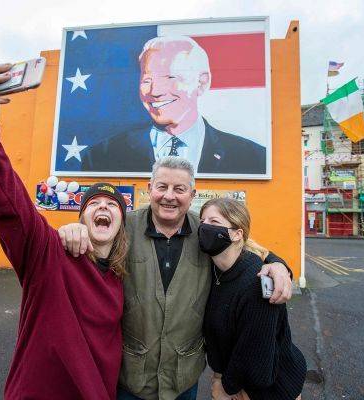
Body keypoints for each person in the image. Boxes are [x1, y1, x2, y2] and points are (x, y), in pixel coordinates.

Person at [0, 62, 128, 399]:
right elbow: (9, 207)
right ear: (80, 220)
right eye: (93, 204)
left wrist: (267, 259)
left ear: (123, 225)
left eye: (112, 206)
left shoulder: (125, 277)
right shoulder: (47, 255)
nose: (104, 208)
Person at [60, 156, 293, 400]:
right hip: (130, 378)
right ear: (150, 189)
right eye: (162, 187)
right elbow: (94, 236)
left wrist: (276, 264)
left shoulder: (206, 231)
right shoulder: (124, 227)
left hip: (183, 379)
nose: (169, 196)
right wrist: (71, 230)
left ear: (192, 195)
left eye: (179, 189)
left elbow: (245, 247)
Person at [81, 35, 267, 175]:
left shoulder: (253, 157)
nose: (154, 91)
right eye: (147, 80)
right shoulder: (101, 155)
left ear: (201, 83)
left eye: (169, 77)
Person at [200, 198, 306, 400]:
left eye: (214, 222)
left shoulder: (257, 282)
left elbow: (256, 356)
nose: (205, 227)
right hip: (235, 379)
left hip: (272, 389)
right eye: (203, 222)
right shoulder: (214, 268)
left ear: (237, 234)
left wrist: (224, 387)